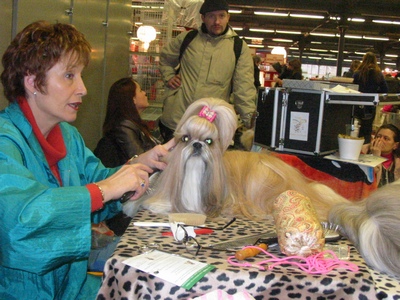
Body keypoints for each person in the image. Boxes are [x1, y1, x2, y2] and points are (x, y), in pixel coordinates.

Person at [0, 21, 174, 300]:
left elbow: (97, 187)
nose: (83, 89)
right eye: (70, 75)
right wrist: (105, 190)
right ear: (32, 81)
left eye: (81, 75)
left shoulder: (68, 137)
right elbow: (20, 223)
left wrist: (140, 167)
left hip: (72, 289)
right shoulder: (5, 142)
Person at [158, 0, 257, 142]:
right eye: (211, 16)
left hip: (210, 123)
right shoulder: (187, 39)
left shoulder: (239, 48)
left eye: (222, 16)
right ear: (203, 18)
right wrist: (169, 76)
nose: (217, 21)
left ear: (228, 17)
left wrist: (250, 122)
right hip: (177, 119)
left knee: (206, 162)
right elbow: (165, 59)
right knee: (169, 161)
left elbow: (244, 88)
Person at [94, 77, 161, 236]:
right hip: (124, 210)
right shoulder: (124, 130)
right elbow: (141, 161)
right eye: (140, 90)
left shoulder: (134, 128)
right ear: (132, 99)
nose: (145, 93)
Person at [353, 52, 388, 143]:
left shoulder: (357, 73)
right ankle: (365, 148)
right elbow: (385, 89)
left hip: (357, 103)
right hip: (370, 104)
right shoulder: (378, 74)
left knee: (354, 127)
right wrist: (375, 93)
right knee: (367, 129)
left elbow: (351, 88)